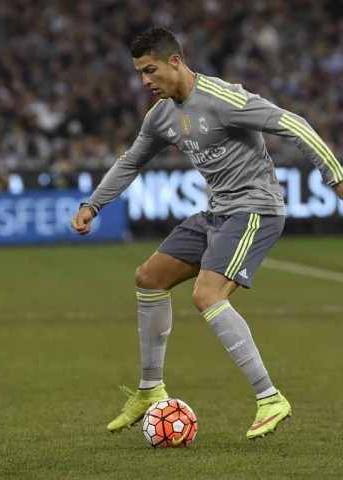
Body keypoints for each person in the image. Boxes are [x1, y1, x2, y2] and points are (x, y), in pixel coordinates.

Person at [71, 27, 343, 440]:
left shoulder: (224, 98)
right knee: (149, 279)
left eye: (150, 70)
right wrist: (92, 205)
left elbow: (296, 125)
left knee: (206, 295)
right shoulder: (161, 115)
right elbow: (130, 163)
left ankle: (269, 397)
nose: (144, 81)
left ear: (175, 62)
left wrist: (336, 178)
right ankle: (150, 389)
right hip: (217, 213)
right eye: (140, 73)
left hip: (256, 209)